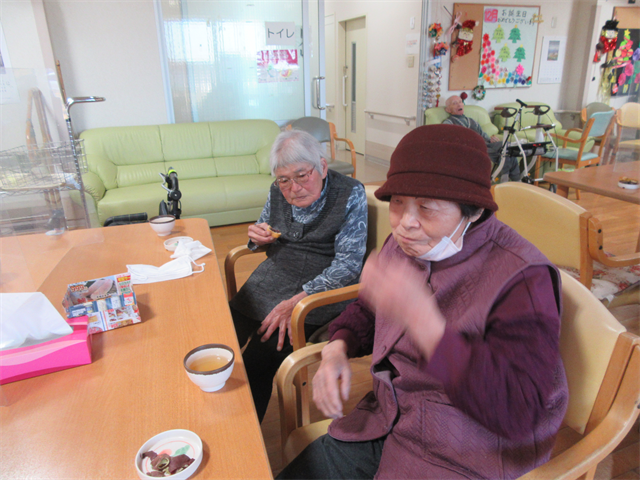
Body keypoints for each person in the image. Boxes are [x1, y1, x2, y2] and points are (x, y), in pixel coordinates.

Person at [277, 124, 568, 480]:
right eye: (397, 203)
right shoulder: (405, 244)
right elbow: (369, 310)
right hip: (390, 418)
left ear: (473, 210)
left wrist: (424, 323)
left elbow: (519, 412)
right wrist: (337, 347)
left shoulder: (523, 278)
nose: (404, 224)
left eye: (427, 207)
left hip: (467, 451)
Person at [229, 129, 368, 423]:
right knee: (223, 335)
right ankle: (209, 412)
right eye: (284, 180)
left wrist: (296, 302)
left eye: (302, 176)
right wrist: (257, 237)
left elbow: (348, 266)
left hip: (319, 292)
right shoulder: (276, 190)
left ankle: (242, 433)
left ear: (323, 166)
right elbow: (262, 229)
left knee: (259, 357)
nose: (293, 188)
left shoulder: (350, 193)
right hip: (275, 276)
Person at [443, 95, 521, 182]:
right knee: (504, 151)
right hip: (472, 149)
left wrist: (491, 139)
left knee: (506, 146)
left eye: (460, 102)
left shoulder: (472, 121)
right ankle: (514, 180)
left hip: (485, 145)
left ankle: (509, 179)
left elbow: (484, 135)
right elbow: (449, 140)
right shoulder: (448, 123)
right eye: (455, 103)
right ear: (448, 110)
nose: (459, 105)